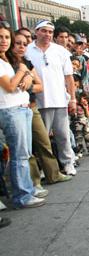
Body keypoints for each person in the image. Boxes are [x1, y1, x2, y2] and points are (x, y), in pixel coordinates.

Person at [13, 31, 71, 189]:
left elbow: (38, 86)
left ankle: (53, 173)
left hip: (31, 106)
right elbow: (11, 86)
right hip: (14, 110)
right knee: (26, 149)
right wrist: (24, 76)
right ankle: (34, 182)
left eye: (24, 44)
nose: (21, 47)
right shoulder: (10, 63)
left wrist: (28, 80)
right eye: (17, 43)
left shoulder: (26, 62)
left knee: (44, 142)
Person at [0, 22, 45, 208]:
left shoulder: (7, 60)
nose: (4, 41)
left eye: (6, 37)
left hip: (22, 107)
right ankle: (22, 196)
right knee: (19, 155)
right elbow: (10, 86)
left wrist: (25, 75)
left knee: (24, 154)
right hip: (11, 110)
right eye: (1, 37)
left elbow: (31, 83)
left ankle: (27, 189)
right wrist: (22, 71)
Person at [25, 20, 77, 176]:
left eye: (49, 32)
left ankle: (68, 162)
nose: (47, 34)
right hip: (38, 102)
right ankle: (44, 167)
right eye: (43, 31)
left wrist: (72, 99)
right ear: (36, 32)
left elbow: (69, 77)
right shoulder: (28, 50)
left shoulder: (60, 51)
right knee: (41, 139)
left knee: (63, 135)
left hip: (59, 100)